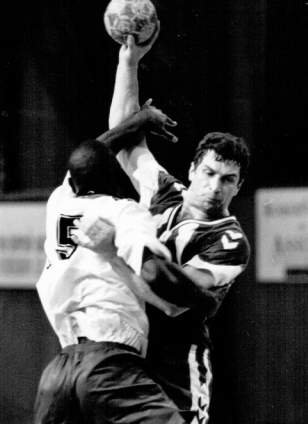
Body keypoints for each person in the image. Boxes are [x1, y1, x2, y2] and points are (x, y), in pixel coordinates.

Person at [97, 26, 251, 424]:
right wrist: (128, 63)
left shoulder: (229, 241)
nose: (215, 186)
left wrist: (111, 256)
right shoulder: (166, 192)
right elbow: (126, 140)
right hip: (128, 345)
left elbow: (171, 300)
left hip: (175, 359)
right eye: (210, 173)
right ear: (193, 170)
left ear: (238, 187)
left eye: (228, 180)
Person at [34, 115, 189, 424]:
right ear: (114, 175)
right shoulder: (124, 211)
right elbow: (153, 271)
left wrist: (139, 120)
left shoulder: (59, 203)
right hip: (110, 364)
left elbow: (88, 156)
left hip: (57, 374)